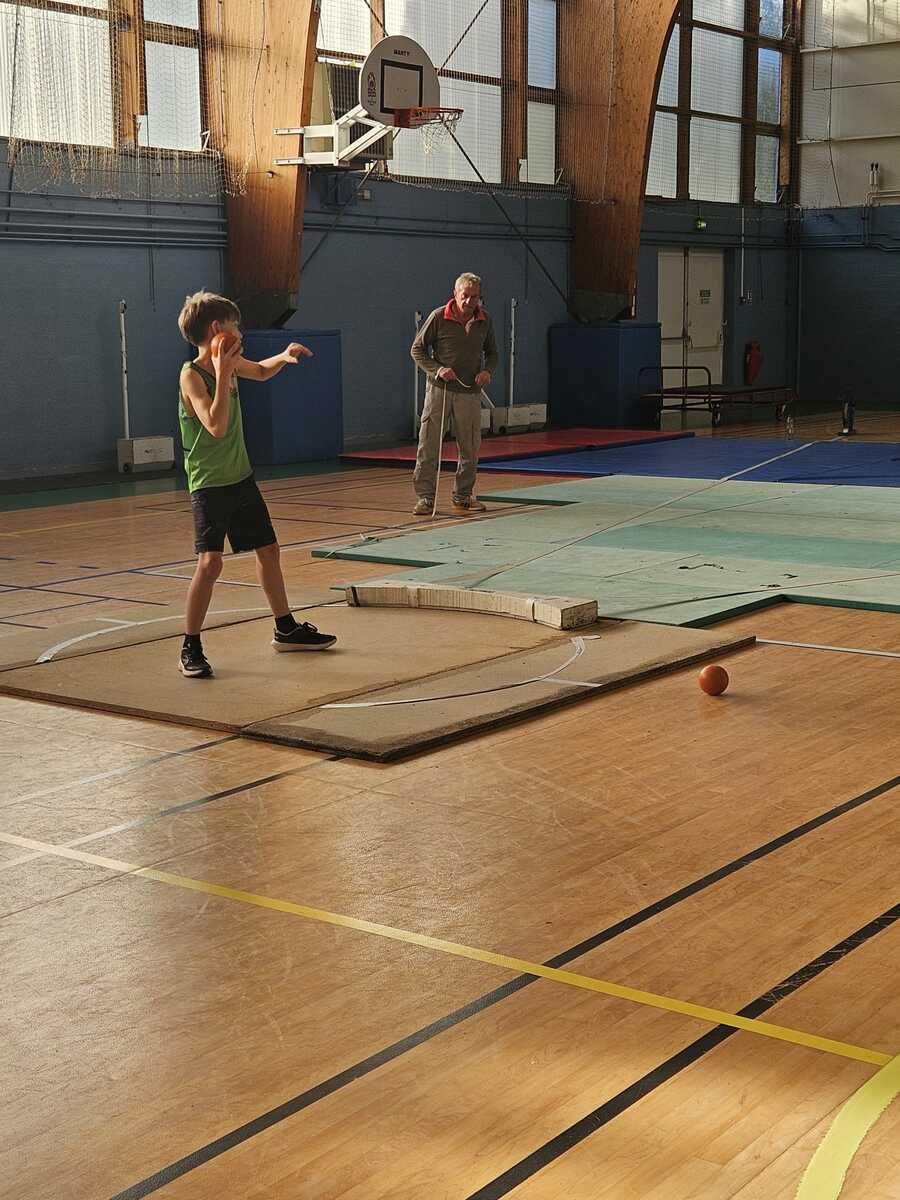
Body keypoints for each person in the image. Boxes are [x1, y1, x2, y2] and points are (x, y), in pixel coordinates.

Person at [176, 290, 337, 679]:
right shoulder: (192, 375)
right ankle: (190, 645)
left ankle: (286, 628)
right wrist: (223, 374)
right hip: (209, 484)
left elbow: (261, 372)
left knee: (268, 550)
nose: (241, 333)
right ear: (217, 328)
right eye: (236, 326)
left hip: (240, 477)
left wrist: (283, 356)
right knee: (211, 563)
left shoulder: (231, 364)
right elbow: (215, 426)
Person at [410, 272, 499, 516]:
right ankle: (425, 498)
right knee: (429, 445)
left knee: (470, 448)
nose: (469, 301)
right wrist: (437, 369)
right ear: (455, 294)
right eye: (465, 295)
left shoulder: (485, 320)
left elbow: (492, 353)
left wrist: (487, 371)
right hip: (440, 390)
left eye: (475, 297)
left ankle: (462, 496)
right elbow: (417, 349)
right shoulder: (438, 317)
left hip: (470, 393)